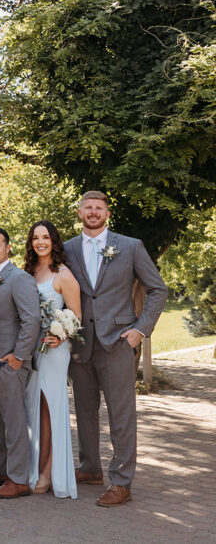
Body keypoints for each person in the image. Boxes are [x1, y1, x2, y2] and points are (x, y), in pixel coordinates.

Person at [64, 191, 167, 507]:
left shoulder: (130, 246)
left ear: (107, 213)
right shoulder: (66, 249)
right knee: (84, 410)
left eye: (99, 208)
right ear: (80, 212)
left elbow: (158, 289)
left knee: (121, 415)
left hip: (119, 342)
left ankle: (121, 482)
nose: (93, 212)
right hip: (80, 344)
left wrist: (140, 330)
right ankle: (91, 467)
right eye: (88, 207)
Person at [0, 227, 40, 499]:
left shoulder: (20, 279)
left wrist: (19, 356)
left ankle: (19, 479)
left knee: (14, 422)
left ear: (7, 248)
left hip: (9, 362)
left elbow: (32, 320)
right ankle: (1, 469)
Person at [24, 220, 81, 499]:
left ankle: (48, 472)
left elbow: (76, 316)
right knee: (34, 409)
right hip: (31, 349)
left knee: (49, 409)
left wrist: (61, 336)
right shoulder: (29, 272)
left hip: (53, 350)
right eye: (35, 238)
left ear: (53, 241)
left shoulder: (63, 274)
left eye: (45, 237)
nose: (40, 242)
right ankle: (35, 466)